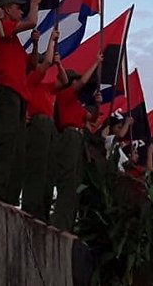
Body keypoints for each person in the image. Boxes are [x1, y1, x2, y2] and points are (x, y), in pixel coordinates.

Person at [0, 0, 41, 204]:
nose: (21, 10)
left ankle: (9, 192)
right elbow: (32, 20)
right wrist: (34, 2)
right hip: (6, 90)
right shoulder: (1, 29)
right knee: (5, 139)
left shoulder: (14, 41)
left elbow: (33, 65)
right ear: (7, 10)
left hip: (18, 94)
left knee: (17, 146)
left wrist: (35, 44)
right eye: (17, 7)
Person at [51, 53, 102, 232]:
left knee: (75, 183)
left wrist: (97, 106)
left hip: (78, 139)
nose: (79, 85)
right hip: (69, 137)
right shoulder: (64, 96)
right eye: (76, 81)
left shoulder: (77, 104)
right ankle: (60, 223)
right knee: (67, 181)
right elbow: (82, 83)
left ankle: (68, 223)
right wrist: (96, 62)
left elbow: (92, 119)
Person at [21, 28, 60, 220]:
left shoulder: (45, 87)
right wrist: (51, 41)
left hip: (48, 128)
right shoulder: (30, 80)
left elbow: (65, 81)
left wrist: (59, 65)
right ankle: (32, 207)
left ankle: (43, 211)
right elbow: (46, 62)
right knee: (36, 167)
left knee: (47, 170)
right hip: (37, 125)